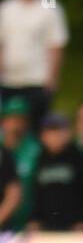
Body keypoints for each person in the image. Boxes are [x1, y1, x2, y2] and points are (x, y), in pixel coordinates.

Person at [0, 0, 67, 131]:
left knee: (36, 128)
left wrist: (52, 79)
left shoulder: (50, 8)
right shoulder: (7, 8)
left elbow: (56, 45)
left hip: (37, 81)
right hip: (9, 80)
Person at [29, 113, 83, 231]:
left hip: (75, 228)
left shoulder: (78, 157)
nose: (56, 135)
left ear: (69, 133)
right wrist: (34, 219)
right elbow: (35, 195)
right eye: (51, 131)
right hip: (46, 228)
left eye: (59, 130)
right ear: (43, 135)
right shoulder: (40, 159)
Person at [0, 96, 40, 229]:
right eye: (10, 118)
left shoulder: (36, 150)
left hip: (27, 223)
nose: (14, 124)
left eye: (19, 119)